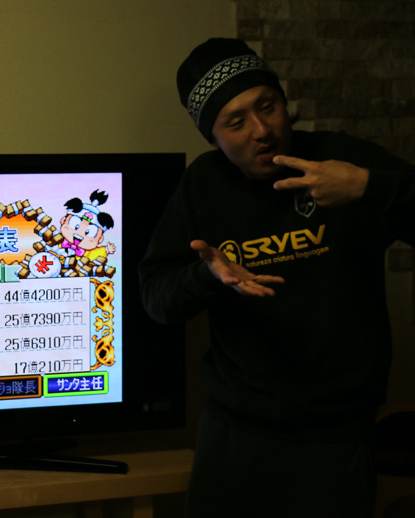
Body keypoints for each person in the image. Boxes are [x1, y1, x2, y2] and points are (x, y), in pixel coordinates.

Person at [139, 38, 415, 517]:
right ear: (213, 138)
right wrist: (207, 277)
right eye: (236, 122)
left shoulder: (340, 159)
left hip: (336, 435)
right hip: (234, 430)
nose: (262, 131)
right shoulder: (202, 184)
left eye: (267, 106)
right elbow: (156, 299)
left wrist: (368, 186)